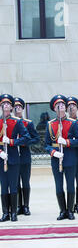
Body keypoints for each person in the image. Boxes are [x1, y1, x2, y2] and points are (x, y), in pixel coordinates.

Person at [45, 95, 78, 221]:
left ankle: (70, 210)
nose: (61, 106)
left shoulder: (72, 123)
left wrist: (67, 142)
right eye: (58, 105)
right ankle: (62, 210)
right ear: (54, 108)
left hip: (70, 157)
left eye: (63, 105)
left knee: (70, 185)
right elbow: (46, 144)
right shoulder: (50, 124)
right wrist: (53, 152)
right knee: (58, 185)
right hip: (56, 158)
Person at [0, 94, 30, 222]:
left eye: (8, 104)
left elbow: (26, 137)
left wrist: (12, 141)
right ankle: (5, 212)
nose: (6, 105)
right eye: (3, 104)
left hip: (13, 156)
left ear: (11, 107)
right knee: (3, 186)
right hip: (1, 157)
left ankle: (13, 213)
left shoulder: (17, 122)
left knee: (13, 185)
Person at [13, 97, 40, 216]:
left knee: (25, 182)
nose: (17, 109)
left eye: (19, 107)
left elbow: (36, 139)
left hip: (24, 156)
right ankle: (19, 206)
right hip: (13, 156)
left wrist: (24, 142)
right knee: (16, 183)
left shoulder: (28, 123)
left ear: (23, 109)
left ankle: (26, 206)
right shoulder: (10, 122)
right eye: (15, 107)